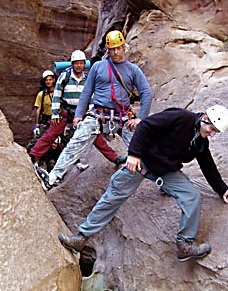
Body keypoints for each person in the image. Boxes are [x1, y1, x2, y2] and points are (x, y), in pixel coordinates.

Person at [58, 105, 228, 262]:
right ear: (206, 118)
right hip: (141, 162)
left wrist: (222, 189)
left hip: (166, 172)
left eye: (215, 132)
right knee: (113, 197)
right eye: (213, 129)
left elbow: (207, 164)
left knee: (191, 196)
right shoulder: (180, 117)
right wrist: (134, 154)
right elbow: (146, 125)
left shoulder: (200, 142)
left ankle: (184, 244)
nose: (212, 134)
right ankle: (81, 238)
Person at [35, 30, 153, 191]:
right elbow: (87, 91)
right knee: (76, 142)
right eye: (112, 49)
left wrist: (141, 119)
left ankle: (165, 179)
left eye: (118, 48)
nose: (115, 52)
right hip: (98, 114)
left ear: (124, 47)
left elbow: (146, 92)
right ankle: (53, 177)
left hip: (123, 116)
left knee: (145, 148)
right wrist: (78, 115)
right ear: (107, 49)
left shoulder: (132, 70)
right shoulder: (98, 67)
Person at [29, 50, 122, 173]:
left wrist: (92, 114)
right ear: (72, 64)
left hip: (82, 114)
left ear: (84, 64)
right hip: (66, 113)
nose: (78, 65)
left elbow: (91, 96)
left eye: (81, 63)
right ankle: (33, 156)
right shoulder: (65, 76)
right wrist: (55, 113)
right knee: (50, 134)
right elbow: (57, 94)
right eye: (76, 63)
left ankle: (115, 158)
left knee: (95, 136)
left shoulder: (88, 78)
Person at [26, 70, 56, 155]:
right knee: (37, 140)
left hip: (57, 121)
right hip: (46, 121)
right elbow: (38, 109)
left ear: (53, 80)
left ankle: (77, 162)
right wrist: (37, 124)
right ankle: (27, 155)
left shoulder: (58, 93)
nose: (48, 82)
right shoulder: (41, 95)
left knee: (66, 140)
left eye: (50, 79)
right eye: (46, 80)